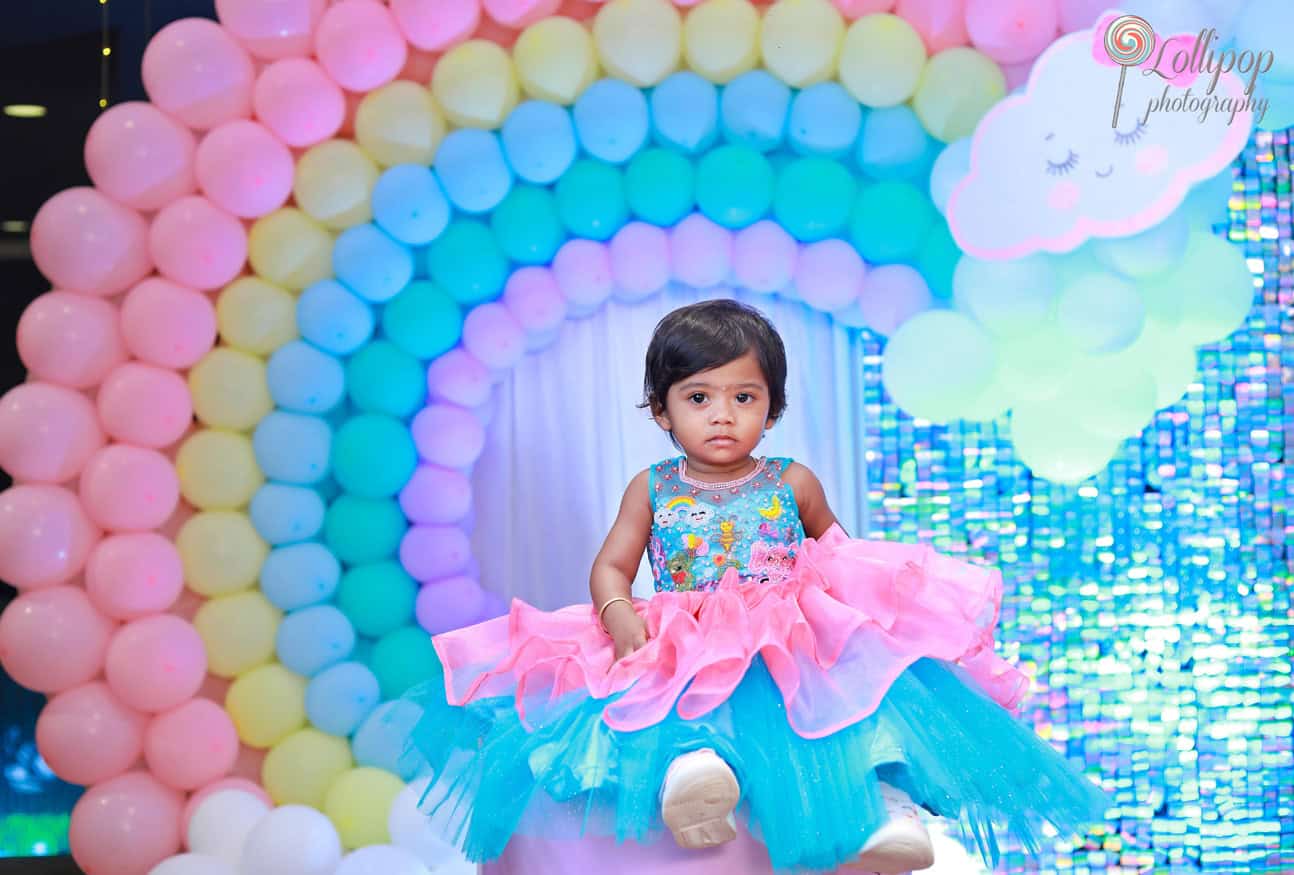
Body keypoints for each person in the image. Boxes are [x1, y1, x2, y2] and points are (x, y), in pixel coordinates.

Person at [404, 299, 1109, 873]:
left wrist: (870, 611)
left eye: (744, 396)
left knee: (851, 705)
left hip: (784, 630)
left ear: (771, 409)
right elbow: (611, 565)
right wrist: (619, 612)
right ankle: (695, 775)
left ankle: (882, 809)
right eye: (699, 397)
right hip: (687, 629)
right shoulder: (651, 488)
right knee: (668, 700)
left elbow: (840, 552)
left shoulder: (791, 480)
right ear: (662, 411)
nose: (722, 414)